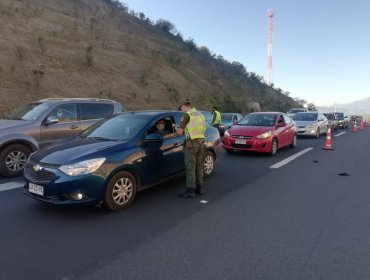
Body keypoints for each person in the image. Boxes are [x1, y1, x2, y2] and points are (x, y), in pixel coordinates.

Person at [175, 99, 206, 198]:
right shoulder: (200, 114)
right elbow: (203, 129)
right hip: (201, 142)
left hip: (191, 144)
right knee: (199, 166)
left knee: (190, 167)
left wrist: (175, 127)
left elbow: (180, 132)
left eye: (182, 108)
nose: (182, 110)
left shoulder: (187, 115)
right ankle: (200, 188)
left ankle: (190, 190)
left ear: (185, 105)